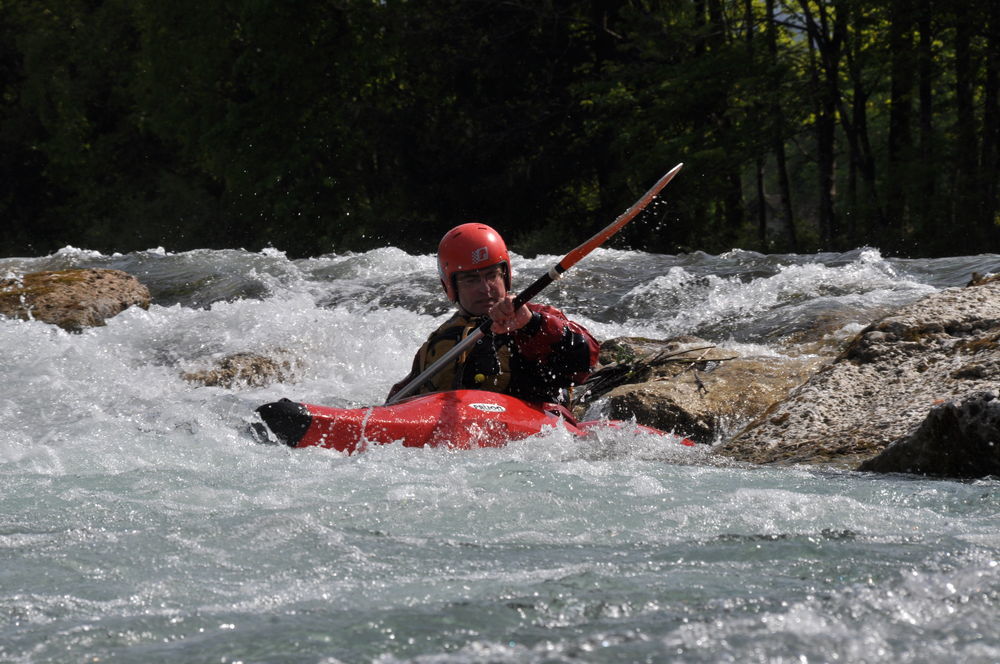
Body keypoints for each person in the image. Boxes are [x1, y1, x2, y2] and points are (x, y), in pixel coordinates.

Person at [387, 223, 600, 403]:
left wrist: (531, 324)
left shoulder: (536, 318)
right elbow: (399, 402)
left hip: (530, 434)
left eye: (492, 275)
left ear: (505, 276)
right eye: (471, 279)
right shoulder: (439, 341)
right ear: (450, 286)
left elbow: (586, 359)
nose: (485, 288)